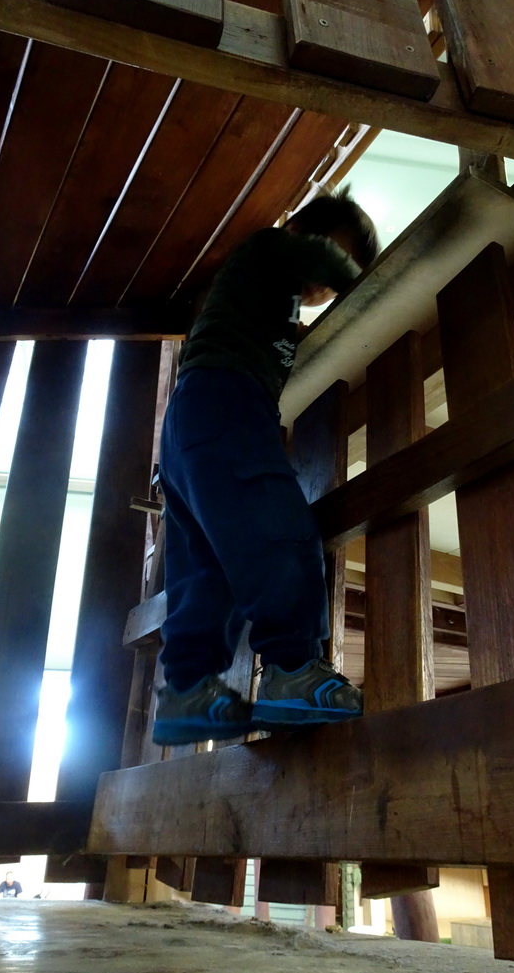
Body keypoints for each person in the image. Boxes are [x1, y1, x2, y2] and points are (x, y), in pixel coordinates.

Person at [153, 187, 380, 747]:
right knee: (280, 531)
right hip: (227, 403)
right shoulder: (268, 248)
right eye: (333, 255)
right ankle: (293, 672)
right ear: (306, 234)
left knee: (208, 565)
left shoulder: (265, 304)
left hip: (190, 426)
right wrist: (364, 283)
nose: (324, 284)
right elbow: (317, 260)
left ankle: (188, 690)